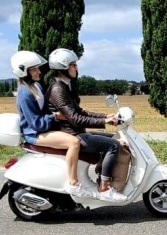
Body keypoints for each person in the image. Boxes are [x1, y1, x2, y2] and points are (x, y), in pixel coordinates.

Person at [11, 50, 96, 199]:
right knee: (74, 142)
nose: (38, 72)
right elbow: (36, 123)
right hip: (34, 134)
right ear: (23, 71)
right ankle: (73, 183)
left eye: (37, 68)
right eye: (34, 69)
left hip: (42, 130)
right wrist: (55, 117)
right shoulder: (24, 93)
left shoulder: (35, 87)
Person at [45, 48, 128, 203]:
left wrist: (105, 116)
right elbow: (76, 118)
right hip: (71, 134)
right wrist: (104, 121)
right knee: (113, 146)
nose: (76, 68)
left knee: (114, 138)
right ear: (63, 67)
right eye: (73, 65)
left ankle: (101, 178)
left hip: (76, 131)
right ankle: (104, 187)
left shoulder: (65, 86)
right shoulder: (57, 89)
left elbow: (80, 111)